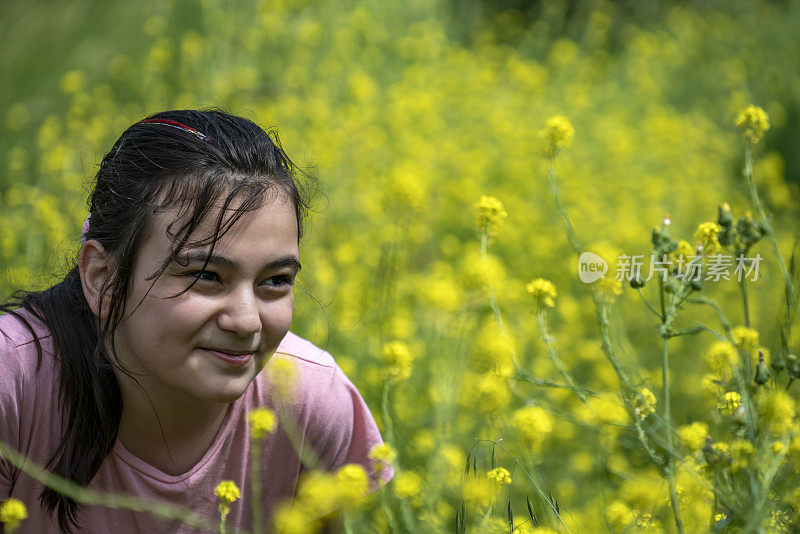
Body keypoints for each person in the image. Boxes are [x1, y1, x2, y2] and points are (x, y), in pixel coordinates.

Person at [0, 110, 392, 533]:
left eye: (275, 281)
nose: (246, 322)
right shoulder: (15, 385)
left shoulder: (311, 402)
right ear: (102, 278)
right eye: (206, 275)